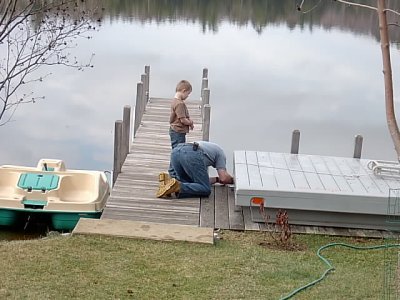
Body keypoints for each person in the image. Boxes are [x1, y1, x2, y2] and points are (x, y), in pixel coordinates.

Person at [157, 141, 234, 198]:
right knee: (205, 189)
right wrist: (233, 180)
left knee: (191, 184)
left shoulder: (210, 148)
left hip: (177, 151)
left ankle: (167, 182)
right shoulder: (221, 154)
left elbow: (203, 180)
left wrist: (216, 180)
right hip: (193, 153)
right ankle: (179, 186)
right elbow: (224, 178)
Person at [166, 80, 194, 178]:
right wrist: (190, 123)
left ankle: (174, 171)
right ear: (183, 90)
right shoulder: (180, 104)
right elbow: (182, 120)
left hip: (174, 130)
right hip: (178, 131)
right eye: (188, 94)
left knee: (176, 151)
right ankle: (173, 173)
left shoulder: (174, 101)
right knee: (177, 152)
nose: (188, 96)